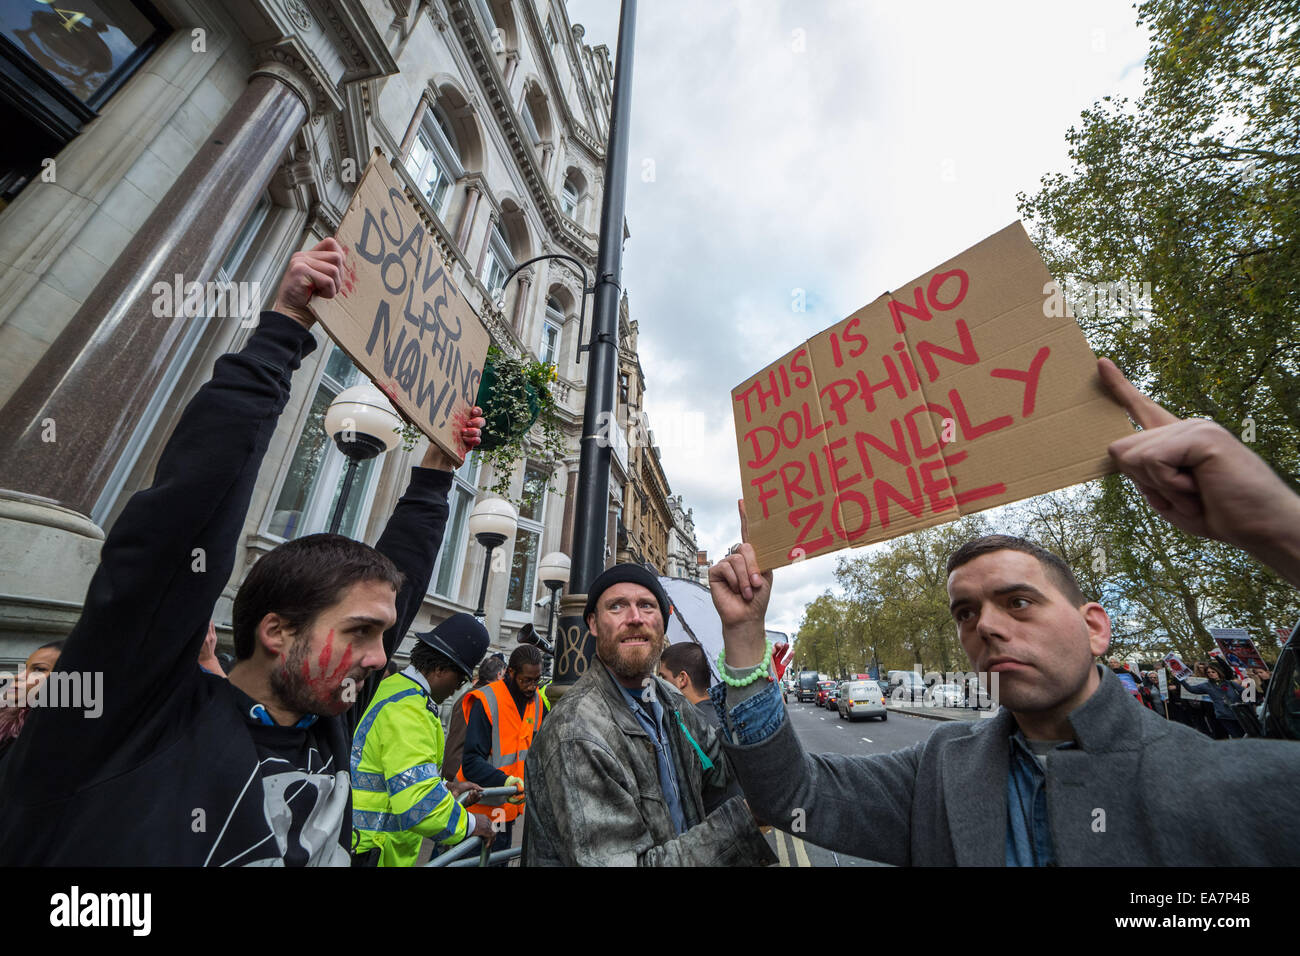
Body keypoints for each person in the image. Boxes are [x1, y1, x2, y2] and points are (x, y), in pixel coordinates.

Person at [0, 238, 487, 865]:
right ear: (276, 630)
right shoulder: (139, 720)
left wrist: (436, 472)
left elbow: (403, 578)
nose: (380, 657)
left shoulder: (329, 713)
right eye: (362, 631)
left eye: (381, 634)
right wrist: (282, 332)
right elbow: (179, 527)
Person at [705, 358, 1300, 865]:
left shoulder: (1231, 785)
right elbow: (790, 796)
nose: (985, 625)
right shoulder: (940, 770)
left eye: (1019, 602)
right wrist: (745, 635)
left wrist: (1275, 525)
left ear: (1096, 627)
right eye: (965, 613)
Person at [521, 564, 774, 866]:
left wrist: (746, 637)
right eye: (617, 606)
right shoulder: (576, 731)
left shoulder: (670, 702)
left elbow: (727, 771)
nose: (635, 618)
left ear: (662, 623)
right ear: (593, 623)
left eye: (646, 605)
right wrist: (743, 820)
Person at [350, 614, 494, 866]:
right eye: (458, 679)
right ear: (440, 668)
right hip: (374, 851)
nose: (456, 688)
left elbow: (394, 772)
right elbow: (419, 805)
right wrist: (472, 823)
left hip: (358, 842)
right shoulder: (411, 711)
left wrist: (444, 787)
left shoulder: (391, 688)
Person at [457, 644, 549, 859]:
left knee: (497, 861)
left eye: (536, 681)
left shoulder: (536, 703)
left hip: (506, 811)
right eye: (526, 680)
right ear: (510, 673)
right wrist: (506, 782)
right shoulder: (488, 700)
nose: (531, 687)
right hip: (476, 810)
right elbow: (471, 762)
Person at [658, 640, 742, 812]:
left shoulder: (683, 727)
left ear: (682, 679)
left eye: (663, 678)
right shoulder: (728, 718)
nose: (658, 685)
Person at [442, 653, 505, 782]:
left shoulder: (468, 695)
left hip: (451, 767)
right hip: (462, 773)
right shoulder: (485, 700)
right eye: (504, 676)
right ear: (498, 675)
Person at [0, 641, 63, 765]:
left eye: (39, 669)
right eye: (24, 668)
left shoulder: (55, 732)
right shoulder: (7, 720)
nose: (18, 676)